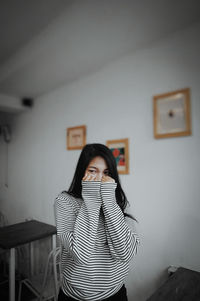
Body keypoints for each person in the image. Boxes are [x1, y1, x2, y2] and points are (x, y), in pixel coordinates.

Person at [54, 143, 139, 301]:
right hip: (72, 296)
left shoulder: (119, 203)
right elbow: (81, 255)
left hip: (114, 295)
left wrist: (109, 202)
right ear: (82, 172)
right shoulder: (65, 202)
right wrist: (91, 199)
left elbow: (126, 253)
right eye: (92, 171)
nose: (99, 179)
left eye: (106, 173)